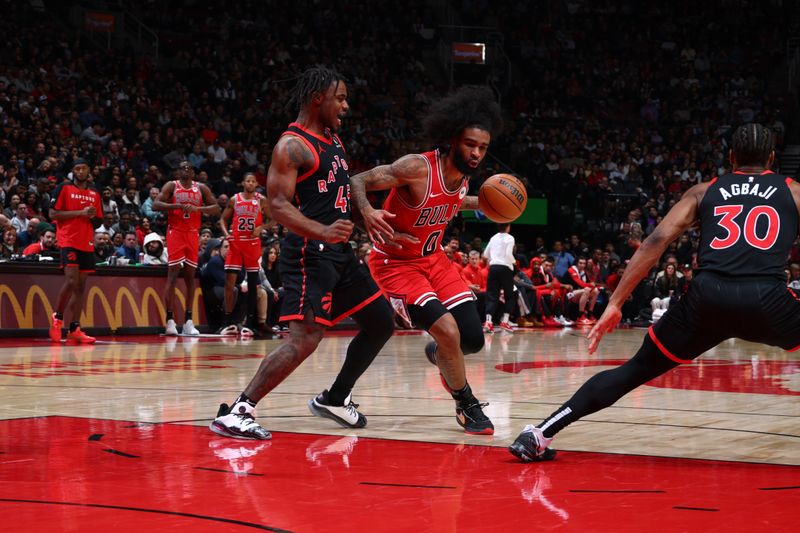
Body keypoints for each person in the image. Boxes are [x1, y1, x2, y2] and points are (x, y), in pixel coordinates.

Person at [510, 123, 800, 462]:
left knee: (635, 369)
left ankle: (539, 435)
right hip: (767, 300)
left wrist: (616, 302)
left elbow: (656, 241)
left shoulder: (704, 191)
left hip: (705, 300)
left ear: (731, 157)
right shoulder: (793, 191)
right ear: (772, 158)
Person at [210, 66, 395, 440]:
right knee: (305, 340)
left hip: (339, 253)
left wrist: (371, 224)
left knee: (380, 322)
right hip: (310, 251)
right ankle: (239, 410)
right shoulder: (291, 145)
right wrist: (322, 230)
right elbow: (277, 205)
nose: (345, 106)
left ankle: (335, 397)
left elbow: (339, 201)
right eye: (340, 98)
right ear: (318, 98)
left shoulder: (333, 140)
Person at [350, 85, 502, 435]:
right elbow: (358, 180)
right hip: (397, 265)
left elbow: (455, 200)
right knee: (448, 330)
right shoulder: (416, 168)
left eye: (483, 147)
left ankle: (440, 353)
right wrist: (369, 213)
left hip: (433, 260)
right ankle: (466, 404)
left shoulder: (463, 178)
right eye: (470, 144)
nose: (477, 153)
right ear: (452, 139)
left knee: (472, 340)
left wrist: (486, 204)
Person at [153, 161, 220, 335]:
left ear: (194, 173)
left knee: (190, 277)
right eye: (182, 167)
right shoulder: (172, 186)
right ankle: (170, 321)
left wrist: (198, 208)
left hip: (192, 233)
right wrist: (176, 205)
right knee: (173, 275)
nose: (186, 170)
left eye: (189, 168)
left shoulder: (201, 188)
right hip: (175, 232)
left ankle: (189, 321)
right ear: (178, 172)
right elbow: (156, 204)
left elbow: (216, 208)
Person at [48, 159, 103, 343]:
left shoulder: (95, 193)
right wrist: (80, 212)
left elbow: (98, 222)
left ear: (89, 171)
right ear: (73, 171)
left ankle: (74, 328)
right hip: (68, 239)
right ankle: (57, 317)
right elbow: (53, 214)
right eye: (77, 169)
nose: (80, 171)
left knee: (80, 287)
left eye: (84, 168)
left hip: (86, 242)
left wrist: (93, 216)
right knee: (71, 281)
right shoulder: (64, 188)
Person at [217, 172, 272, 336]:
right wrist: (227, 234)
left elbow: (274, 219)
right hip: (236, 243)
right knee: (229, 283)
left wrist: (261, 228)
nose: (250, 183)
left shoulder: (261, 200)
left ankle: (250, 322)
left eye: (253, 181)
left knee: (254, 285)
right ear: (243, 183)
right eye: (247, 181)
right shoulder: (234, 199)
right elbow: (222, 219)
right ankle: (228, 322)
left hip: (252, 244)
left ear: (256, 184)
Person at [483, 223, 517, 332]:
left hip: (493, 268)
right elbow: (508, 254)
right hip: (505, 268)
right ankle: (505, 322)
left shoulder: (493, 237)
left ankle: (488, 322)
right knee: (510, 295)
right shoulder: (510, 237)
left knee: (492, 296)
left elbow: (485, 254)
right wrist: (514, 262)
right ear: (508, 227)